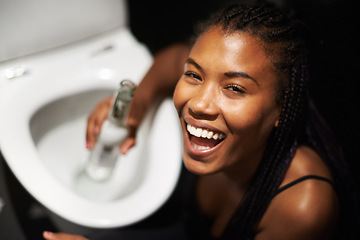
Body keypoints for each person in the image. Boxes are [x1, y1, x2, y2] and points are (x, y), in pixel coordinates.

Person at [43, 2, 359, 240]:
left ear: (281, 109)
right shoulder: (221, 137)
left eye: (234, 88)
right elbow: (173, 59)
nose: (198, 104)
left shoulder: (303, 207)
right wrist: (133, 108)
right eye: (194, 75)